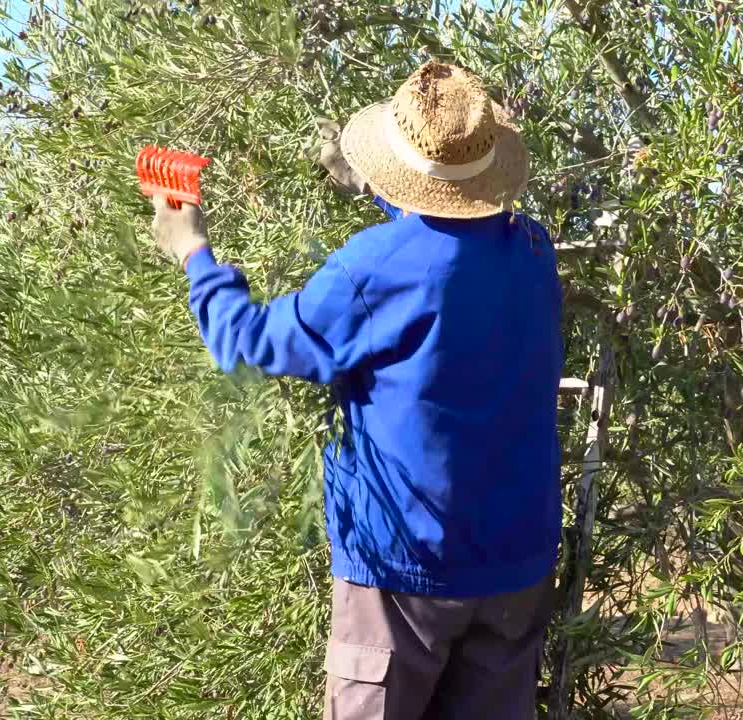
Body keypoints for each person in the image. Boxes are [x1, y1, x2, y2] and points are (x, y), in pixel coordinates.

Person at [150, 61, 564, 720]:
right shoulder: (535, 253)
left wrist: (194, 254)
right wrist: (383, 189)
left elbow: (250, 344)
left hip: (404, 568)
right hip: (516, 563)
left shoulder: (375, 268)